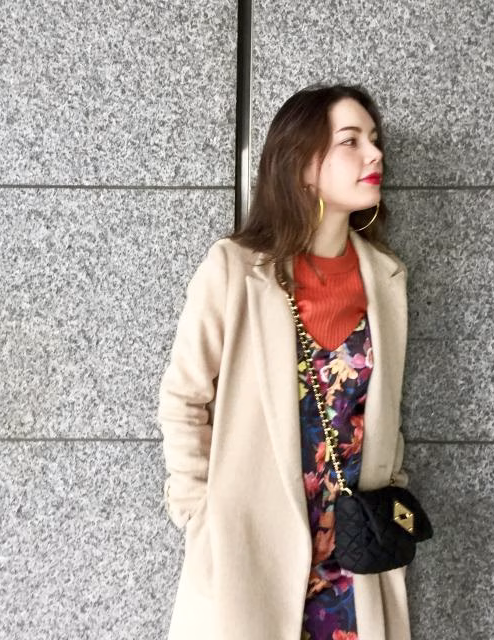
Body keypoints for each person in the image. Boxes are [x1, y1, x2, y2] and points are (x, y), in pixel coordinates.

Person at [157, 83, 412, 640]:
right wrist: (201, 515)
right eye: (351, 141)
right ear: (302, 164)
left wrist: (393, 485)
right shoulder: (235, 270)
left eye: (374, 139)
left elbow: (384, 411)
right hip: (252, 556)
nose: (375, 154)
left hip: (355, 560)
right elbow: (183, 398)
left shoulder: (386, 280)